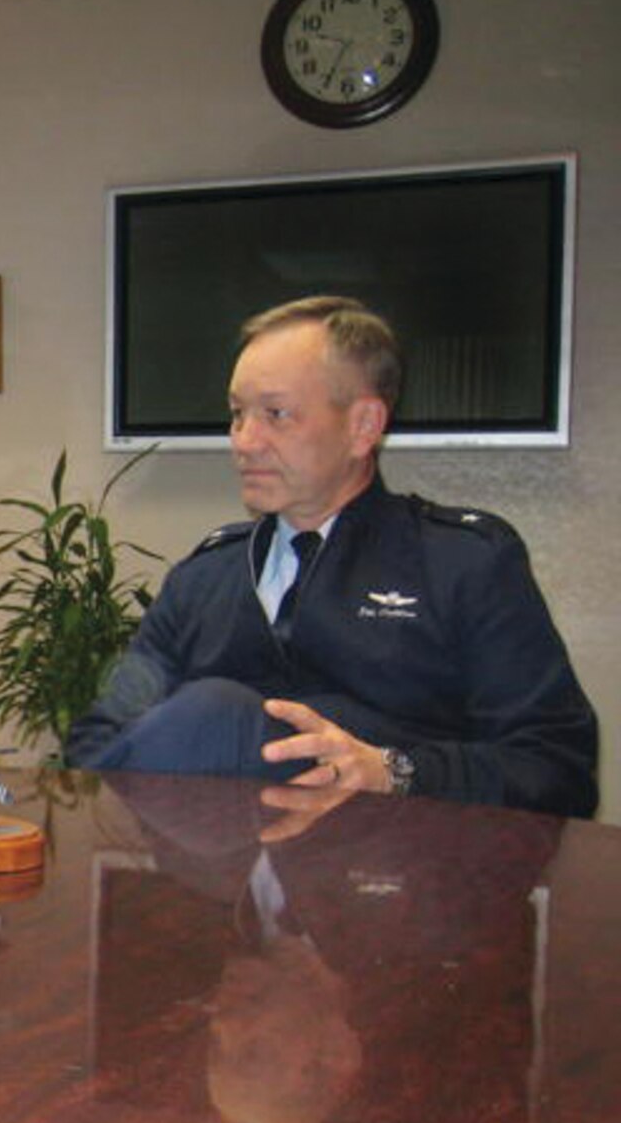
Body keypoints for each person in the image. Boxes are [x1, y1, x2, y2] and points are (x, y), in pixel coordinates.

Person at [66, 296, 598, 819]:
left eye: (276, 414)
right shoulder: (202, 578)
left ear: (363, 426)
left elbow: (556, 771)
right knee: (211, 712)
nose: (244, 442)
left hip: (405, 886)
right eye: (236, 414)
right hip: (219, 891)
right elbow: (97, 737)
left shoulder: (463, 565)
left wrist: (396, 771)